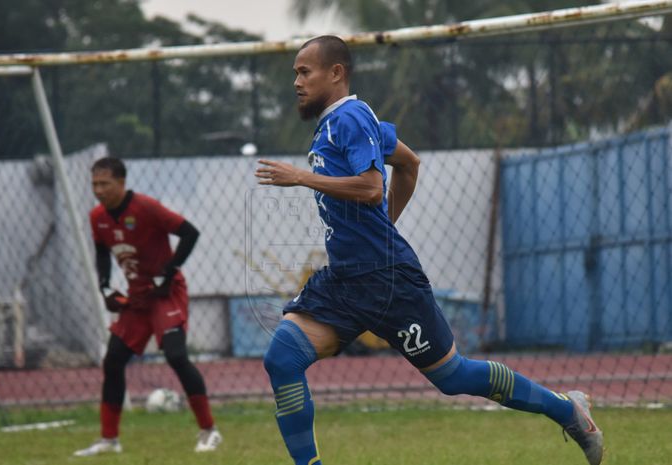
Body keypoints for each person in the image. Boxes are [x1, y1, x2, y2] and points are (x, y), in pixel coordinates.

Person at [255, 35, 603, 465]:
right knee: (282, 358)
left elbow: (370, 186)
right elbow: (409, 163)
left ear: (336, 73)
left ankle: (569, 410)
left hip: (389, 282)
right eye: (296, 73)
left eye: (304, 71)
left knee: (453, 377)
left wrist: (302, 178)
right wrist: (382, 227)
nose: (297, 81)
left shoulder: (352, 116)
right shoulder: (340, 123)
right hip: (345, 280)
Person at [73, 157, 222, 456]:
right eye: (94, 184)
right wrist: (105, 287)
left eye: (105, 183)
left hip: (166, 293)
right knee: (113, 360)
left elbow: (190, 233)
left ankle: (209, 431)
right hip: (137, 298)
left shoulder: (146, 207)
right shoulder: (97, 217)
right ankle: (109, 440)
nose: (99, 190)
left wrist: (167, 272)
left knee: (177, 355)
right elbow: (102, 253)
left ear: (121, 182)